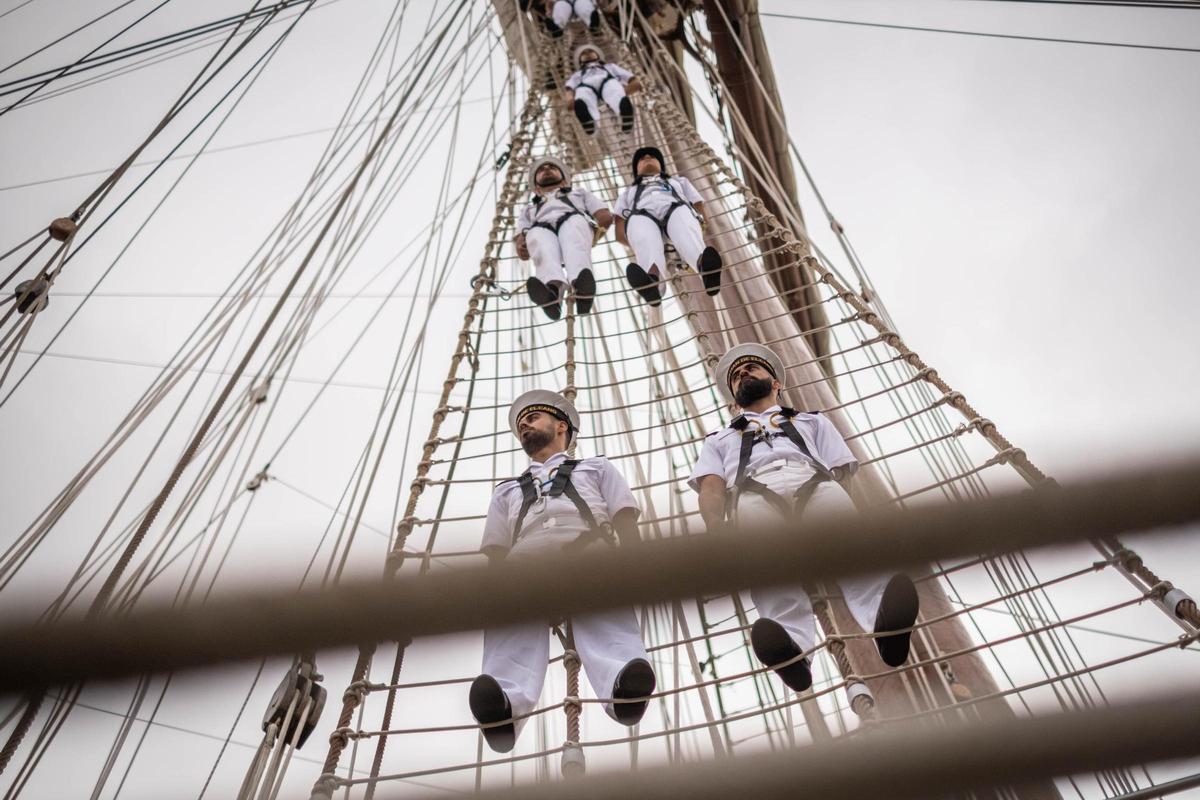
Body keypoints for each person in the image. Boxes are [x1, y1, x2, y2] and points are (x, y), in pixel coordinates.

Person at [687, 343, 919, 692]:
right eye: (736, 376)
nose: (743, 374)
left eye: (751, 368)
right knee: (771, 572)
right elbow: (711, 486)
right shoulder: (718, 439)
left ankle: (885, 627)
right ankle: (793, 653)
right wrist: (715, 526)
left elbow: (842, 470)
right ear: (733, 399)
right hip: (752, 494)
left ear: (777, 382)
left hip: (815, 482)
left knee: (856, 552)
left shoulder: (813, 421)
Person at [469, 390, 657, 753]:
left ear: (561, 427)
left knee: (607, 618)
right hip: (525, 561)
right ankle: (503, 707)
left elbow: (623, 512)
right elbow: (496, 547)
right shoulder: (506, 490)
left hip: (588, 552)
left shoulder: (596, 468)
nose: (523, 424)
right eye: (521, 422)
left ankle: (624, 685)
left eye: (533, 418)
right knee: (510, 625)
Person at [614, 146, 723, 306]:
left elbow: (698, 205)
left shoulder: (678, 181)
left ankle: (705, 267)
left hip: (675, 207)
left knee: (684, 224)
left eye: (652, 156)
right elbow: (619, 226)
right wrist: (636, 241)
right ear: (636, 170)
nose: (647, 157)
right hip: (642, 215)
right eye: (642, 158)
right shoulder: (627, 193)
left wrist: (699, 223)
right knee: (643, 235)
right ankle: (652, 283)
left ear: (661, 165)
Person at [515, 155, 612, 320]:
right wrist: (521, 245)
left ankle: (581, 286)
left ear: (564, 181)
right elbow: (521, 235)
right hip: (542, 228)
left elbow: (604, 215)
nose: (546, 169)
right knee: (537, 237)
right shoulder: (529, 209)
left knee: (573, 231)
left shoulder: (579, 193)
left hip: (573, 221)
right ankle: (551, 292)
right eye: (541, 169)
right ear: (536, 188)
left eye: (551, 168)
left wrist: (599, 225)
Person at [563, 44, 639, 135]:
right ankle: (590, 122)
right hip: (585, 86)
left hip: (607, 81)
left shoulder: (610, 67)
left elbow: (632, 79)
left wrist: (624, 90)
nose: (587, 53)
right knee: (582, 95)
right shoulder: (577, 74)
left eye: (590, 51)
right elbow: (569, 88)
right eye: (584, 53)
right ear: (580, 61)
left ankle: (625, 113)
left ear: (598, 56)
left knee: (614, 89)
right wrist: (570, 99)